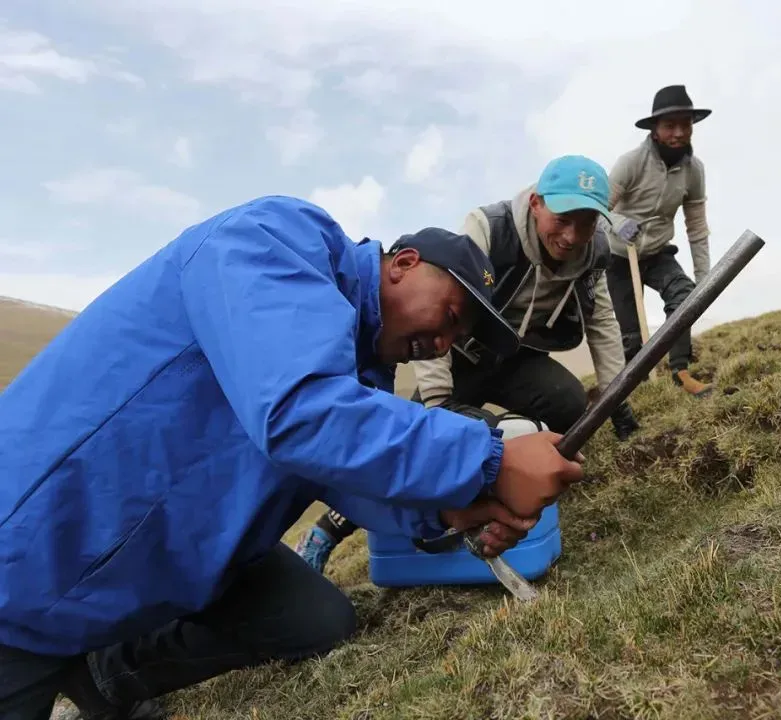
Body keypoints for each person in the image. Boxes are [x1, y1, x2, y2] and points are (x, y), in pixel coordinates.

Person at [0, 195, 585, 720]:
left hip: (161, 553)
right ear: (403, 264)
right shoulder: (274, 241)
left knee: (313, 618)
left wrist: (454, 510)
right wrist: (489, 460)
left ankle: (105, 676)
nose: (443, 344)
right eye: (451, 315)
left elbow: (340, 467)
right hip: (35, 561)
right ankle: (70, 655)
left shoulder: (359, 376)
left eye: (458, 340)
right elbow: (301, 414)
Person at [294, 155, 641, 574]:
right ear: (536, 203)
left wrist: (616, 395)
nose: (571, 235)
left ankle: (530, 476)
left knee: (569, 402)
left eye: (586, 222)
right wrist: (439, 403)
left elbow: (601, 320)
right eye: (564, 218)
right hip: (454, 357)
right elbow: (442, 307)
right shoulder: (489, 228)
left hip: (516, 358)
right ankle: (326, 531)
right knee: (417, 440)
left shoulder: (592, 256)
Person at [605, 84, 716, 398]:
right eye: (670, 125)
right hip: (618, 256)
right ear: (655, 129)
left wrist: (704, 279)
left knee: (685, 296)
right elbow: (598, 208)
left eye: (685, 125)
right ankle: (638, 392)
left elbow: (696, 227)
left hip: (656, 252)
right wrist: (618, 222)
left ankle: (680, 372)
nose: (678, 132)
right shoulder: (630, 163)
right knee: (631, 337)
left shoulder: (694, 171)